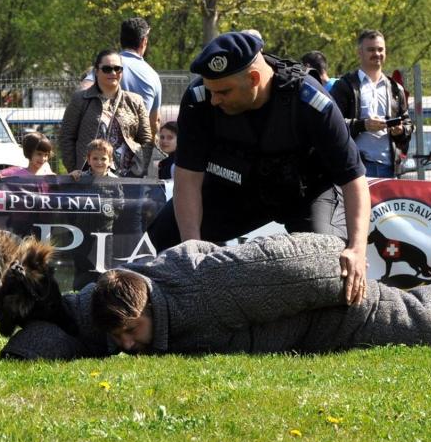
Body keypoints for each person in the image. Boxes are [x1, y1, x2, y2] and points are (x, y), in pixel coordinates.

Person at [0, 233, 431, 360]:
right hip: (296, 330)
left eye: (130, 334)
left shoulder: (207, 288)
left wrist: (350, 278)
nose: (126, 348)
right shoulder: (110, 310)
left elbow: (297, 260)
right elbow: (53, 331)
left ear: (149, 310)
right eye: (118, 339)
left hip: (333, 309)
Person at [147, 31, 369, 305]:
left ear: (253, 79)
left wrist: (358, 249)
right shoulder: (200, 98)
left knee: (324, 260)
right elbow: (187, 179)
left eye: (223, 92)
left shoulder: (310, 100)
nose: (214, 100)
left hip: (306, 192)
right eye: (212, 90)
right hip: (239, 189)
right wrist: (191, 251)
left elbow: (353, 178)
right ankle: (193, 307)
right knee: (168, 233)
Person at [331, 30, 413, 179]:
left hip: (389, 168)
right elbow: (332, 124)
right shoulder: (346, 86)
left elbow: (408, 125)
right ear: (359, 52)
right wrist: (364, 125)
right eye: (371, 49)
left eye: (380, 49)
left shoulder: (395, 88)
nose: (377, 53)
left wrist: (400, 131)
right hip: (355, 168)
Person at [60, 49, 152, 178]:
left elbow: (146, 140)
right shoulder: (80, 99)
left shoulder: (135, 101)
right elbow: (66, 137)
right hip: (89, 179)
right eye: (107, 69)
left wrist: (139, 170)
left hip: (128, 179)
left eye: (117, 68)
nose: (113, 73)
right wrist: (75, 170)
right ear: (96, 71)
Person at [80, 17, 163, 134]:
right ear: (144, 41)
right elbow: (155, 122)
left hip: (103, 145)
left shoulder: (109, 65)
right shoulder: (153, 76)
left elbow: (83, 90)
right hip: (134, 145)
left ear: (121, 40)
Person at [68, 139, 124, 289]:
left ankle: (103, 293)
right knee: (82, 263)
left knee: (104, 265)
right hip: (82, 231)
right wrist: (71, 176)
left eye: (103, 158)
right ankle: (79, 293)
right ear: (88, 159)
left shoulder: (116, 181)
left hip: (105, 233)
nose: (99, 162)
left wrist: (110, 215)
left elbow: (121, 203)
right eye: (95, 158)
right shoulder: (80, 178)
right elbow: (70, 200)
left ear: (110, 160)